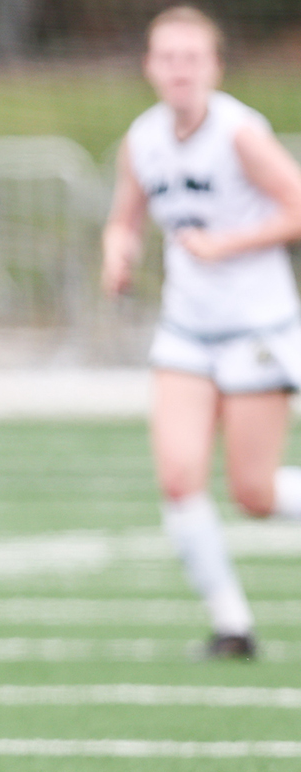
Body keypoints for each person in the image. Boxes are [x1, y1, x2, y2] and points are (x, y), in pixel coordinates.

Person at [102, 5, 301, 660]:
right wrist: (119, 252)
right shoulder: (144, 137)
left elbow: (296, 208)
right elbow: (125, 217)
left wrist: (229, 244)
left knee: (255, 493)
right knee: (180, 479)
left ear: (213, 66)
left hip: (258, 329)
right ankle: (232, 625)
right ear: (150, 67)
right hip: (186, 331)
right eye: (167, 57)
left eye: (192, 57)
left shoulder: (240, 132)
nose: (180, 69)